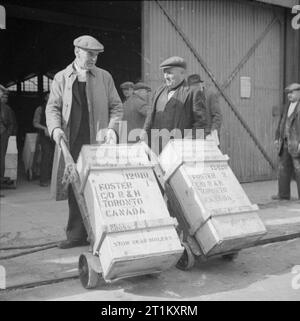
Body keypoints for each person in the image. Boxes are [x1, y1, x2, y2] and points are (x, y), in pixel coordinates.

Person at [46, 35, 123, 249]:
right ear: (77, 52)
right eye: (90, 54)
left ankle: (100, 234)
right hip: (70, 142)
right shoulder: (61, 78)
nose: (94, 59)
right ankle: (76, 236)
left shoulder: (104, 77)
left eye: (97, 56)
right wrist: (55, 128)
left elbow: (116, 106)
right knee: (74, 188)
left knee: (99, 187)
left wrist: (111, 128)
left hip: (96, 143)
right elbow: (52, 107)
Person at [141, 56, 209, 155]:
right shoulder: (158, 91)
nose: (165, 76)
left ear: (182, 73)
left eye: (169, 73)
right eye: (164, 72)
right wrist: (144, 132)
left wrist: (185, 144)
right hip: (156, 149)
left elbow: (201, 124)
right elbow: (150, 115)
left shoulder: (193, 93)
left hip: (179, 152)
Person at [272, 83, 300, 201]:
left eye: (292, 92)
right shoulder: (287, 106)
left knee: (298, 169)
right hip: (284, 143)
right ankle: (283, 195)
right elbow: (281, 123)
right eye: (288, 93)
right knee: (283, 168)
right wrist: (277, 137)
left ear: (299, 92)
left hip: (296, 143)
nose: (289, 95)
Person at [187, 74, 222, 146]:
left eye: (197, 86)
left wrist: (213, 131)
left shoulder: (210, 95)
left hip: (208, 135)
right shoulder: (189, 96)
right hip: (194, 136)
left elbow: (217, 116)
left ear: (200, 84)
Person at [32, 91, 55, 186]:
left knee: (55, 157)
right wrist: (45, 128)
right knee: (46, 155)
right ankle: (43, 180)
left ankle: (53, 178)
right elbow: (35, 123)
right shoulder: (40, 109)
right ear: (45, 98)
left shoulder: (57, 108)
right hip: (44, 136)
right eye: (49, 96)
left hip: (55, 135)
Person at [0, 85, 17, 194]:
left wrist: (8, 134)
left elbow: (11, 123)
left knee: (1, 160)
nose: (2, 96)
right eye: (1, 94)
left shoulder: (6, 108)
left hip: (2, 135)